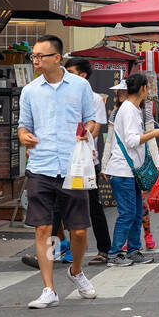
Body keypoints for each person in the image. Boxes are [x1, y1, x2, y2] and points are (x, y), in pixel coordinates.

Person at [18, 36, 99, 310]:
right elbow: (22, 126)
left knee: (78, 232)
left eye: (40, 55)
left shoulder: (80, 86)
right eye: (33, 56)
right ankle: (48, 288)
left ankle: (76, 270)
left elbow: (93, 120)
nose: (35, 60)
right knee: (44, 229)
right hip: (41, 166)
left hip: (73, 167)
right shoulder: (29, 91)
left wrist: (86, 131)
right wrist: (25, 136)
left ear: (57, 58)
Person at [103, 72, 159, 265]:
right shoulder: (128, 109)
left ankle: (133, 250)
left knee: (137, 212)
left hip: (130, 171)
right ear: (144, 88)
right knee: (128, 213)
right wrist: (154, 133)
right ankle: (115, 254)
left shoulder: (133, 109)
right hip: (122, 171)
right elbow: (131, 141)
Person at [63, 58, 112, 266]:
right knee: (58, 207)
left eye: (71, 71)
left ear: (83, 75)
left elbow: (96, 128)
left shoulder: (94, 98)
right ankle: (56, 249)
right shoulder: (62, 96)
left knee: (92, 205)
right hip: (63, 159)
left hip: (86, 161)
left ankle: (104, 249)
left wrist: (82, 137)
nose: (67, 75)